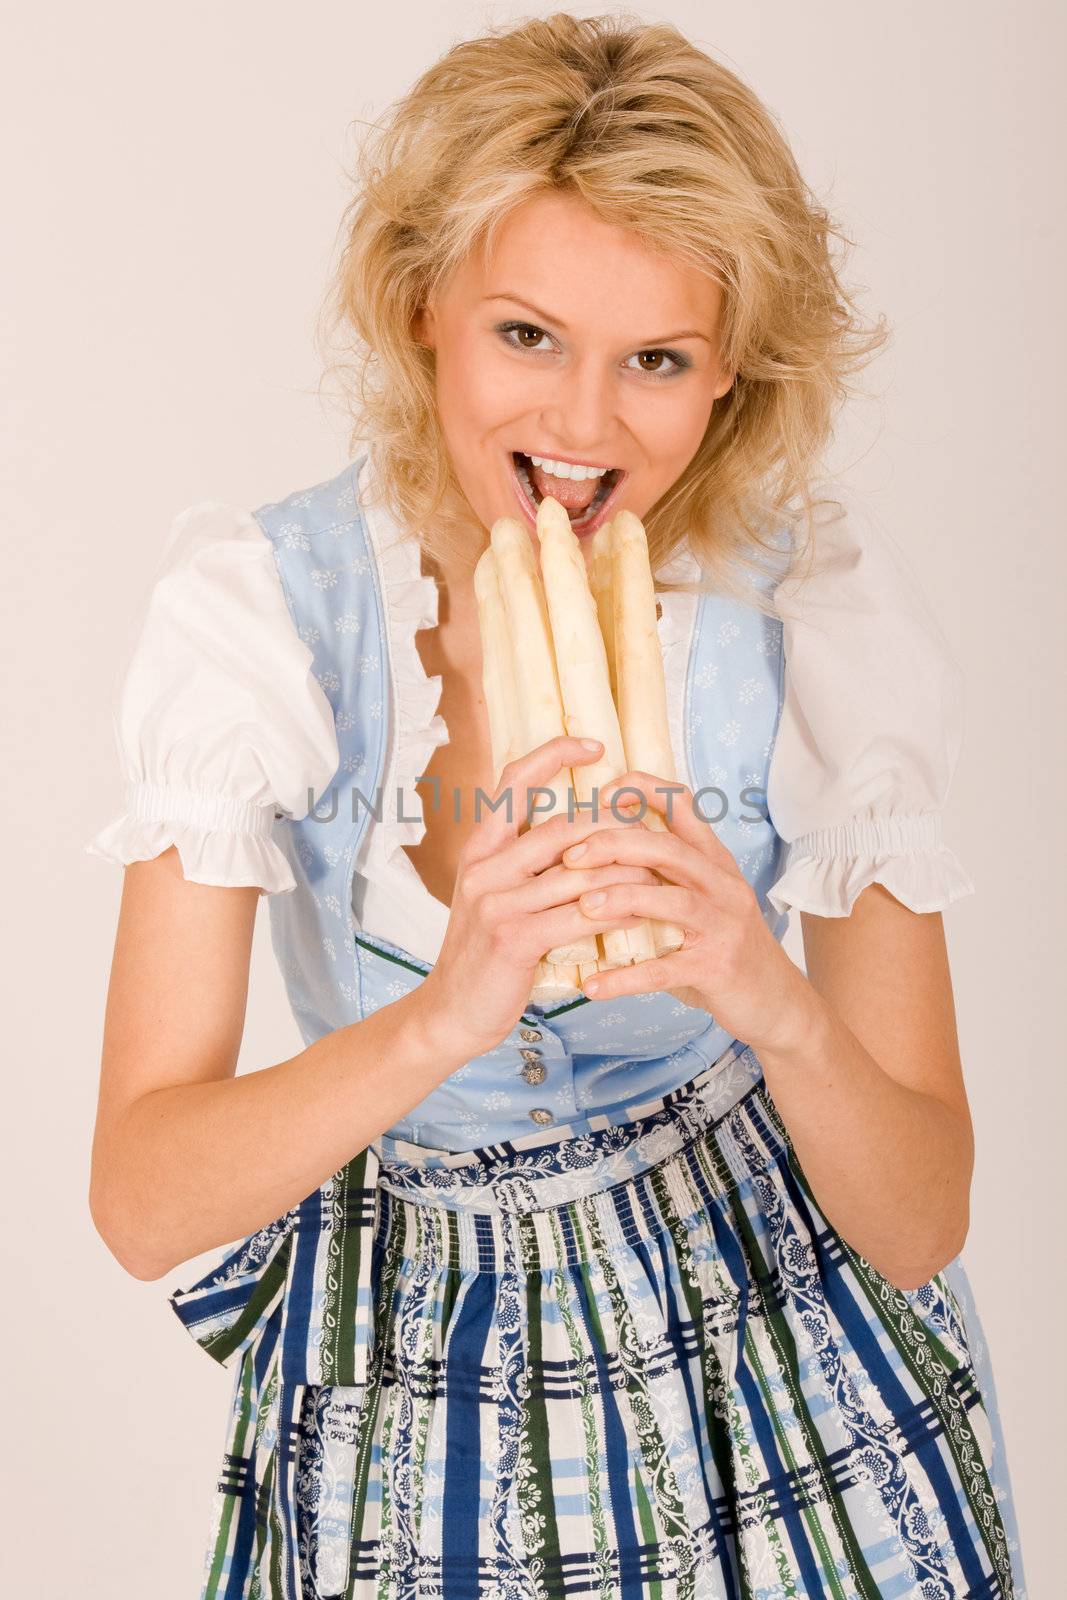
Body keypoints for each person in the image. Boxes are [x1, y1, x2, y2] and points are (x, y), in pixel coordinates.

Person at [84, 13, 1028, 1598]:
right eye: (528, 336)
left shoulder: (809, 616)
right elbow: (139, 1200)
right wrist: (439, 1018)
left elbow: (924, 1216)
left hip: (782, 1359)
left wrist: (769, 997)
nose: (585, 428)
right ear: (421, 313)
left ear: (727, 380)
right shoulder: (272, 618)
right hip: (412, 1375)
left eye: (655, 360)